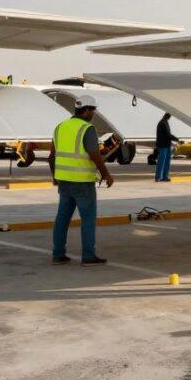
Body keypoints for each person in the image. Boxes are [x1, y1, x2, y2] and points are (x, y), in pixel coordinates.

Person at [49, 94, 114, 266]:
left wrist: (55, 177)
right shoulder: (87, 128)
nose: (93, 113)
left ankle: (58, 254)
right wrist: (106, 174)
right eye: (92, 110)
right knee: (88, 219)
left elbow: (51, 157)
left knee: (62, 218)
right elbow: (94, 154)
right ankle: (88, 256)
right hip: (83, 182)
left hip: (64, 181)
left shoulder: (60, 127)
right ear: (85, 110)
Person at [154, 112, 181, 182]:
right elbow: (168, 135)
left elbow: (167, 135)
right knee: (162, 161)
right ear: (168, 116)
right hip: (163, 145)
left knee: (166, 161)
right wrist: (176, 139)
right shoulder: (163, 123)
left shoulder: (164, 122)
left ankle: (164, 176)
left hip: (166, 145)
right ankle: (158, 177)